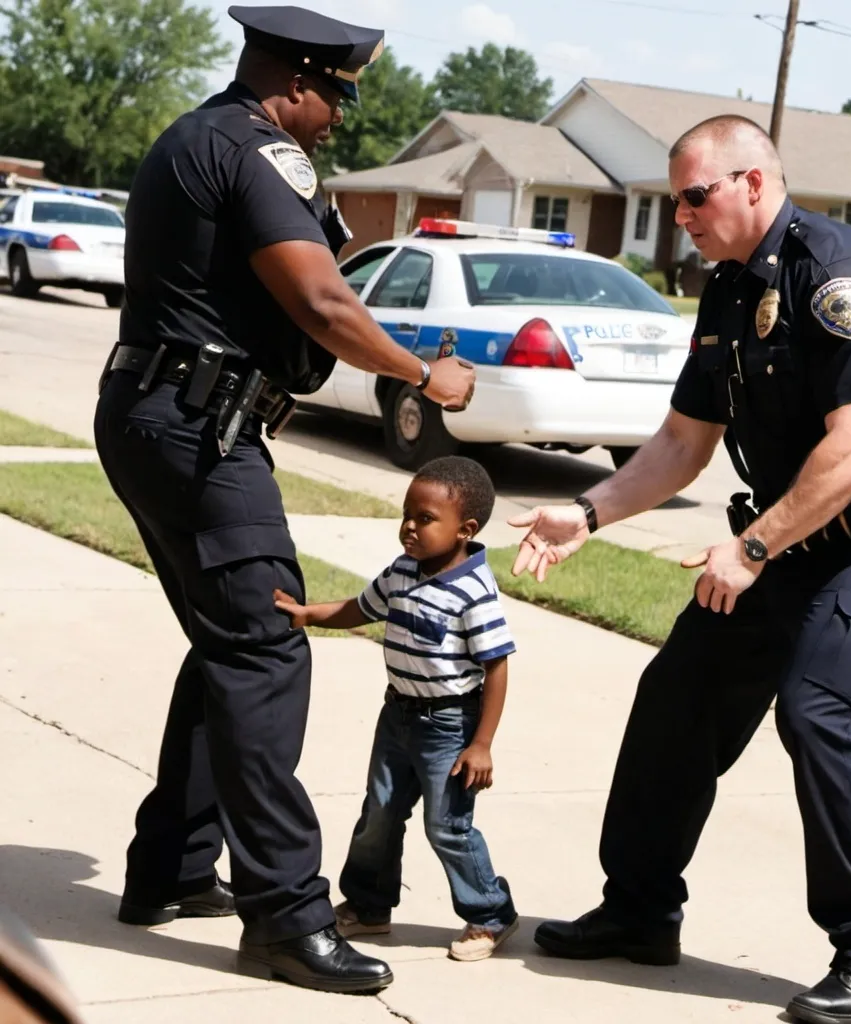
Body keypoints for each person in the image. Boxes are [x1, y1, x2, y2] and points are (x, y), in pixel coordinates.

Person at [508, 115, 851, 1024]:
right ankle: (640, 911)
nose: (679, 213)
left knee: (817, 709)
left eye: (694, 195)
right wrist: (589, 511)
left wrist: (752, 547)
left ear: (754, 183)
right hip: (784, 551)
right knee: (676, 692)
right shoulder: (727, 292)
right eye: (673, 198)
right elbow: (685, 440)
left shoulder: (844, 277)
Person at [93, 4, 474, 994]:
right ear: (296, 81)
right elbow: (322, 302)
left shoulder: (199, 135)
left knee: (229, 645)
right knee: (267, 649)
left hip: (162, 412)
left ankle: (170, 871)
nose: (340, 117)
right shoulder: (256, 150)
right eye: (338, 95)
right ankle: (284, 915)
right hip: (197, 430)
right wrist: (422, 381)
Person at [274, 456, 519, 962]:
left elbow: (496, 668)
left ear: (464, 529)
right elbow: (361, 608)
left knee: (447, 825)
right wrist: (308, 615)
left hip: (450, 725)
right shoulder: (403, 570)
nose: (409, 526)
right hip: (398, 715)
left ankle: (490, 914)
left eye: (425, 519)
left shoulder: (474, 592)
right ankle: (369, 906)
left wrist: (482, 744)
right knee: (379, 814)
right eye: (407, 513)